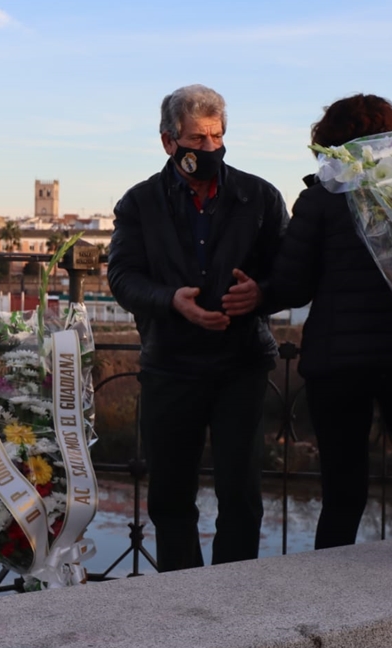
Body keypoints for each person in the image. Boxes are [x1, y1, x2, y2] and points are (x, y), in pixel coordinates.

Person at [107, 84, 288, 572]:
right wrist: (172, 302)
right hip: (171, 365)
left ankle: (236, 603)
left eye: (215, 137)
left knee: (241, 494)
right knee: (169, 498)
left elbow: (290, 272)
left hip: (241, 364)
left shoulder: (260, 197)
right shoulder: (139, 202)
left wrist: (262, 293)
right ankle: (180, 605)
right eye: (196, 139)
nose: (208, 148)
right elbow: (122, 277)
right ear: (169, 141)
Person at [265, 93, 392, 549]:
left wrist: (249, 294)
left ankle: (331, 607)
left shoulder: (322, 199)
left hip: (340, 361)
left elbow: (291, 288)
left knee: (342, 494)